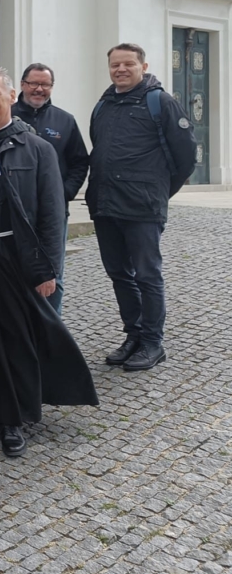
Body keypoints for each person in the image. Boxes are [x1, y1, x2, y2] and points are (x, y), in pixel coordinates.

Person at [0, 69, 98, 457]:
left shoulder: (38, 149)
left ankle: (13, 418)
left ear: (11, 96)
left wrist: (47, 270)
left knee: (14, 339)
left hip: (15, 259)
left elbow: (51, 213)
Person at [88, 43, 197, 371]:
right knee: (120, 273)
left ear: (143, 66)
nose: (120, 69)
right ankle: (133, 335)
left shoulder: (160, 101)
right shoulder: (103, 104)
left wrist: (158, 192)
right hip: (106, 205)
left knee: (147, 275)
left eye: (127, 64)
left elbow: (186, 158)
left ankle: (152, 342)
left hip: (143, 207)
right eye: (115, 65)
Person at [12, 63, 90, 315]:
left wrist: (64, 192)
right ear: (22, 84)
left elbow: (80, 161)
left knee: (52, 275)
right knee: (14, 273)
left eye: (45, 84)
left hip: (53, 212)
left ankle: (51, 335)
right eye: (33, 83)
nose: (38, 89)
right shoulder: (7, 115)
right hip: (14, 210)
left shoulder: (64, 120)